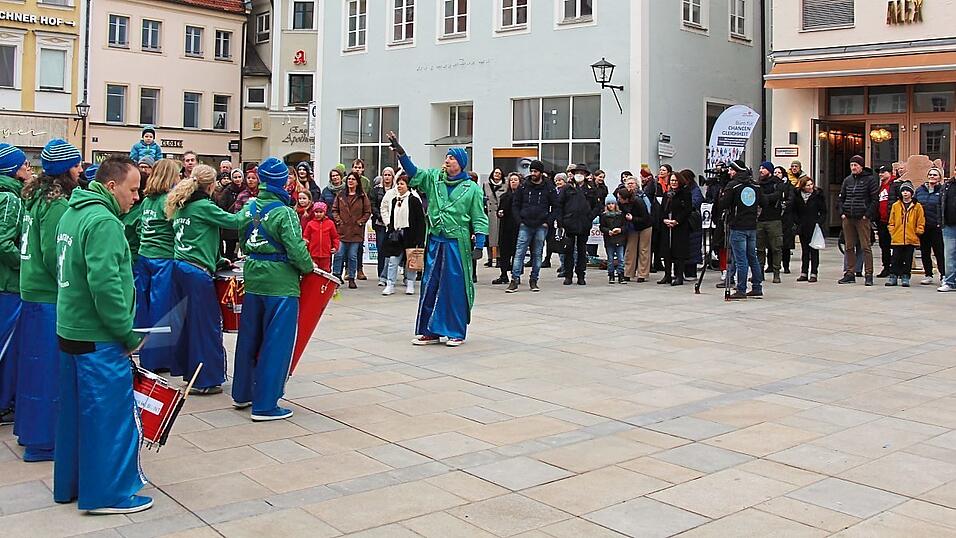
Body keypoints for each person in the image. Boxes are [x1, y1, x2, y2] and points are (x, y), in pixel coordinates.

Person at [54, 156, 151, 514]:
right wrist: (126, 333)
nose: (136, 197)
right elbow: (106, 285)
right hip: (98, 335)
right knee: (109, 418)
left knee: (74, 417)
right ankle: (108, 494)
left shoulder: (72, 213)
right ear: (111, 186)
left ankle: (70, 485)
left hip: (70, 329)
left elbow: (55, 261)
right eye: (132, 189)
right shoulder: (104, 222)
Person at [231, 157, 313, 421]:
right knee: (276, 343)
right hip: (281, 284)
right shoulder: (284, 213)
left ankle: (242, 393)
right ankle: (266, 405)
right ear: (280, 182)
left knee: (249, 339)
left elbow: (242, 239)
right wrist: (308, 268)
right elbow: (297, 251)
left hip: (253, 278)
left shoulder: (249, 206)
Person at [16, 139, 82, 460]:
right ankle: (43, 441)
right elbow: (55, 253)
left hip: (30, 290)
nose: (81, 170)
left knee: (32, 366)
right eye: (77, 165)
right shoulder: (57, 204)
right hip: (47, 296)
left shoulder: (35, 197)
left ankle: (29, 431)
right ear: (66, 169)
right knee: (47, 371)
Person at [389, 133, 487, 346]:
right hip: (435, 241)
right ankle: (430, 331)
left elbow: (479, 217)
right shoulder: (433, 178)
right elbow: (414, 173)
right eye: (447, 156)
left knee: (454, 287)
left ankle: (455, 331)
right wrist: (401, 153)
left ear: (460, 163)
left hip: (456, 244)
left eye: (451, 157)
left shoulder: (472, 189)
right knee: (430, 285)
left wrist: (479, 243)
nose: (447, 159)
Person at [165, 164, 243, 395]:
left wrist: (217, 259)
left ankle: (189, 372)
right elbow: (235, 222)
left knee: (187, 325)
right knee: (206, 326)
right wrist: (252, 209)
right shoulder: (203, 206)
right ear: (211, 185)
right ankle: (206, 379)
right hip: (197, 273)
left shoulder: (181, 206)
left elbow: (197, 237)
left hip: (179, 267)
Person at [134, 159, 179, 373]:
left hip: (144, 257)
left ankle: (146, 357)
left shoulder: (146, 201)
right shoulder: (169, 200)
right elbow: (177, 230)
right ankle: (161, 360)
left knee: (144, 309)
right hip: (163, 258)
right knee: (162, 310)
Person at [0, 144, 28, 428]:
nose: (28, 169)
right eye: (23, 165)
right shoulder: (10, 199)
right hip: (8, 284)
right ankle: (3, 404)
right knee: (8, 348)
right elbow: (3, 243)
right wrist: (25, 263)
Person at [508, 160, 557, 293]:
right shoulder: (524, 186)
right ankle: (514, 279)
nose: (533, 173)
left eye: (535, 171)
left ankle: (534, 279)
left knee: (537, 254)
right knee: (519, 253)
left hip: (541, 224)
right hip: (525, 224)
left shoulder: (549, 187)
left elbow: (556, 206)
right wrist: (520, 220)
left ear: (541, 172)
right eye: (532, 171)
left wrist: (548, 221)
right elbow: (515, 204)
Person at [718, 160, 765, 299]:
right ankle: (757, 286)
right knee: (752, 257)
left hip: (738, 226)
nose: (729, 172)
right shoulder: (755, 185)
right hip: (751, 225)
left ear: (736, 171)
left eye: (731, 170)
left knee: (740, 259)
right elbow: (764, 202)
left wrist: (723, 194)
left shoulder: (733, 185)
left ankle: (741, 289)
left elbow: (723, 204)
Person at [380, 175, 426, 296]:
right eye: (398, 184)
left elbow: (420, 221)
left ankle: (410, 283)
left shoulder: (414, 200)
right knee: (393, 261)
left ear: (408, 186)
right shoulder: (395, 200)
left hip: (410, 235)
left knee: (411, 261)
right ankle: (390, 284)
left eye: (402, 184)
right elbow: (391, 216)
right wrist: (390, 230)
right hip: (396, 236)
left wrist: (420, 239)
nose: (399, 186)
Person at [838, 155, 879, 286]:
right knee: (849, 247)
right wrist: (842, 212)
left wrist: (867, 215)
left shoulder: (870, 180)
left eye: (856, 165)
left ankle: (868, 274)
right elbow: (841, 197)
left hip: (862, 218)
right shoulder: (847, 180)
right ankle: (850, 273)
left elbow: (874, 199)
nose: (853, 167)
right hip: (848, 217)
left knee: (866, 247)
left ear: (861, 166)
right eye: (851, 165)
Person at [558, 164, 598, 286]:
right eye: (577, 172)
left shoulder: (591, 189)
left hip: (584, 224)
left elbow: (597, 206)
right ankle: (568, 275)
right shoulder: (567, 188)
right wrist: (561, 221)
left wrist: (590, 216)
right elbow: (559, 205)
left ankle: (581, 275)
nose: (579, 175)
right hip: (569, 223)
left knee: (582, 250)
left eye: (582, 173)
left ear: (586, 175)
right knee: (568, 250)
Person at [331, 172, 371, 289]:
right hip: (342, 230)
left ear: (357, 181)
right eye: (349, 179)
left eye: (353, 179)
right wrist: (338, 221)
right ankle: (336, 276)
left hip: (356, 231)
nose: (350, 181)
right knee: (339, 254)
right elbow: (335, 210)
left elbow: (367, 212)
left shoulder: (362, 196)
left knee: (353, 256)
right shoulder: (341, 195)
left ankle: (352, 277)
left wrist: (360, 222)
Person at [885, 182, 925, 287]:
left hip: (910, 237)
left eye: (907, 191)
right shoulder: (896, 205)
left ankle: (905, 276)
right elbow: (891, 221)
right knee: (895, 258)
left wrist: (918, 231)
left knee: (908, 259)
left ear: (911, 193)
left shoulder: (917, 206)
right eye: (903, 191)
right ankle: (893, 275)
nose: (905, 193)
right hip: (897, 237)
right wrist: (892, 232)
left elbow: (921, 220)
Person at [658, 173, 692, 286]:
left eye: (675, 180)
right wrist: (664, 220)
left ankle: (679, 276)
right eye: (672, 180)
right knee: (667, 250)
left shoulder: (685, 194)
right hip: (667, 226)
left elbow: (687, 210)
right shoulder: (666, 195)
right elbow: (662, 209)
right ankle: (667, 275)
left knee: (679, 252)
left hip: (680, 226)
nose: (673, 182)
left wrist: (677, 221)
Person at [617, 176, 653, 282]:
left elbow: (645, 217)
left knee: (644, 249)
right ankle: (628, 272)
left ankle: (642, 274)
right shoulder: (621, 203)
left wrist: (633, 218)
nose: (618, 200)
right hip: (632, 227)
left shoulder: (638, 201)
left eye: (620, 198)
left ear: (626, 199)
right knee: (630, 249)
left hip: (645, 226)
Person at [755, 161, 786, 284]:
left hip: (774, 219)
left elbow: (777, 196)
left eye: (764, 168)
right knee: (760, 248)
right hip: (760, 220)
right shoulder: (757, 184)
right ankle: (760, 272)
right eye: (760, 168)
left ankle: (776, 272)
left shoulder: (777, 183)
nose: (761, 170)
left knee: (776, 248)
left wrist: (763, 199)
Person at [792, 177, 827, 282]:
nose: (810, 187)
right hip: (803, 226)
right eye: (807, 185)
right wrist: (797, 222)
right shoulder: (797, 196)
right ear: (802, 186)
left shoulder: (818, 196)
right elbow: (794, 211)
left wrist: (819, 222)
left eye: (811, 184)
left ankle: (814, 273)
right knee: (805, 251)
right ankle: (804, 272)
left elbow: (824, 211)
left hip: (814, 226)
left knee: (814, 250)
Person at [915, 168, 945, 285]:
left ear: (939, 178)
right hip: (923, 226)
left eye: (935, 175)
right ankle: (928, 274)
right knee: (924, 251)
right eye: (930, 174)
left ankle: (943, 274)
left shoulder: (942, 190)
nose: (932, 176)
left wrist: (941, 222)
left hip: (937, 226)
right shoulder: (920, 190)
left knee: (939, 252)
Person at [493, 173, 521, 285]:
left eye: (515, 180)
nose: (513, 182)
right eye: (511, 180)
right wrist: (499, 213)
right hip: (505, 228)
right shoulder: (505, 196)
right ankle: (503, 274)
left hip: (518, 227)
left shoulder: (522, 196)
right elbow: (500, 211)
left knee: (517, 253)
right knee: (504, 252)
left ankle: (516, 275)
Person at [370, 167, 396, 285]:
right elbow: (373, 204)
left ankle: (390, 275)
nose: (387, 177)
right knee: (381, 248)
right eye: (385, 175)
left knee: (391, 250)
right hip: (380, 223)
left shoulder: (396, 190)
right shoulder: (376, 190)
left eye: (389, 175)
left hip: (393, 224)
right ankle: (381, 274)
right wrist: (380, 215)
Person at [216, 168, 247, 261]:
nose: (237, 179)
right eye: (235, 177)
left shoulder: (246, 190)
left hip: (243, 223)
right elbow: (222, 206)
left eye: (239, 177)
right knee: (230, 250)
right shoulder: (227, 190)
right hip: (230, 225)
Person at [303, 201, 339, 273]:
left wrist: (335, 247)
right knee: (313, 272)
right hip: (313, 254)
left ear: (324, 212)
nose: (318, 214)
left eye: (320, 212)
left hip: (326, 255)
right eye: (316, 212)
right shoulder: (310, 224)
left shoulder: (330, 223)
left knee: (325, 272)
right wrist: (305, 244)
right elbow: (306, 237)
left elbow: (335, 237)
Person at [682, 169, 704, 279]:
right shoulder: (685, 190)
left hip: (693, 222)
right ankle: (685, 271)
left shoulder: (695, 190)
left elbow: (695, 203)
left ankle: (691, 272)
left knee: (693, 247)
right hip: (685, 221)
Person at [600, 194, 627, 284]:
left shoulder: (620, 215)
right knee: (610, 259)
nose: (611, 205)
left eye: (612, 203)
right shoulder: (604, 216)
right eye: (609, 204)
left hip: (619, 239)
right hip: (609, 240)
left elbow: (624, 226)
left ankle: (621, 274)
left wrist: (620, 230)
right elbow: (602, 227)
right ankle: (611, 274)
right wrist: (608, 231)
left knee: (621, 259)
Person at [773, 166, 796, 275]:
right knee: (772, 242)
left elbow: (792, 199)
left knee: (786, 243)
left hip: (786, 218)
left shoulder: (789, 186)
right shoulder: (772, 184)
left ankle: (786, 265)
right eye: (775, 172)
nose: (776, 174)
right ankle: (771, 265)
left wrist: (785, 204)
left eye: (779, 172)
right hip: (774, 216)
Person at [483, 168, 506, 267]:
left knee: (499, 237)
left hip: (499, 213)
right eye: (496, 173)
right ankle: (490, 258)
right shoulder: (486, 185)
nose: (497, 175)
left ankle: (499, 258)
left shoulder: (505, 186)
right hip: (489, 213)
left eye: (499, 173)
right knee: (489, 237)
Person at [876, 165, 895, 277]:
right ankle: (886, 267)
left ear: (889, 173)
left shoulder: (895, 184)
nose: (880, 174)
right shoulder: (881, 187)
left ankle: (896, 268)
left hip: (893, 221)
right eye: (879, 172)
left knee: (897, 245)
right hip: (882, 221)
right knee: (884, 245)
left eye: (883, 172)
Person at [940, 169, 956, 292]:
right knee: (949, 255)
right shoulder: (947, 185)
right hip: (949, 225)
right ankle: (950, 282)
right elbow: (940, 204)